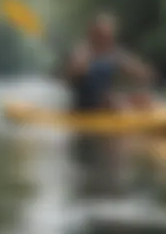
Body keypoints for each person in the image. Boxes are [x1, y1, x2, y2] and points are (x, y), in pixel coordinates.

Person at [65, 12, 154, 194]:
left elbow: (141, 72)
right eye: (103, 34)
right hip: (86, 109)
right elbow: (71, 77)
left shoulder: (115, 54)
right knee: (115, 99)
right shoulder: (82, 51)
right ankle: (130, 139)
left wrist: (143, 72)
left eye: (109, 34)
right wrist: (80, 65)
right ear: (93, 34)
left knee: (142, 98)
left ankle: (154, 119)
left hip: (107, 104)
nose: (107, 38)